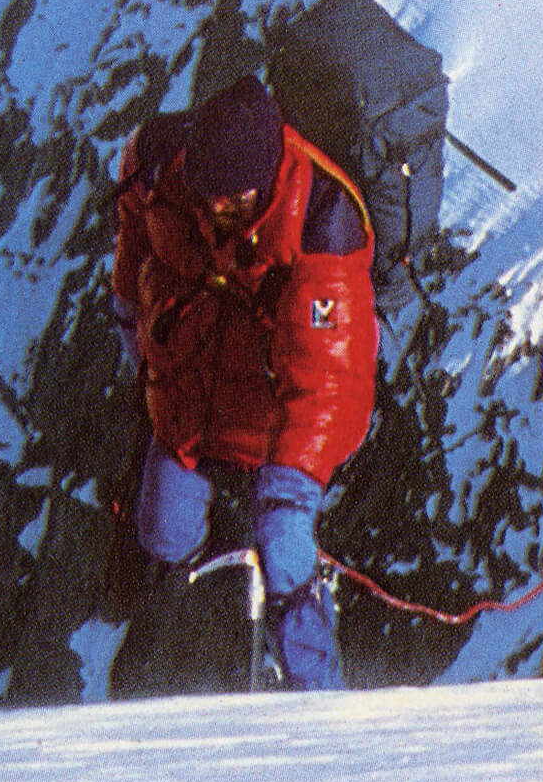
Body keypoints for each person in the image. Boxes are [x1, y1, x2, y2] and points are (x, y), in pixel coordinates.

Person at [109, 75, 378, 690]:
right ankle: (194, 667)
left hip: (273, 417)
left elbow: (326, 382)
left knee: (283, 543)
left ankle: (319, 697)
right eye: (207, 194)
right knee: (162, 536)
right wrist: (131, 316)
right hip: (190, 404)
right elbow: (134, 230)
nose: (215, 210)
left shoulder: (322, 229)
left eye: (232, 198)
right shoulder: (160, 168)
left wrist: (290, 488)